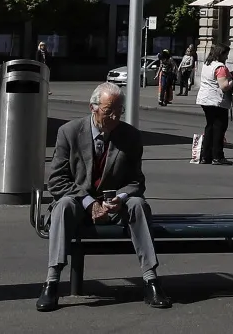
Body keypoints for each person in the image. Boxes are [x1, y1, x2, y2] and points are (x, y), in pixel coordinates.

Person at [38, 82, 169, 311]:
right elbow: (57, 181)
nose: (115, 117)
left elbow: (136, 182)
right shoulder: (69, 132)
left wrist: (121, 198)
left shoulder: (130, 136)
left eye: (120, 111)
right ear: (93, 108)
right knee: (63, 205)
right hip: (79, 204)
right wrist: (89, 203)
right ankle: (52, 282)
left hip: (114, 206)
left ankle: (151, 280)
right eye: (109, 111)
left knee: (138, 204)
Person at [195, 45, 233, 165]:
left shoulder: (207, 64)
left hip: (205, 99)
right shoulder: (220, 67)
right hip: (216, 101)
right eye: (226, 54)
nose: (227, 57)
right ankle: (217, 156)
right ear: (221, 54)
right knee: (219, 128)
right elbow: (224, 86)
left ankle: (205, 156)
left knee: (210, 127)